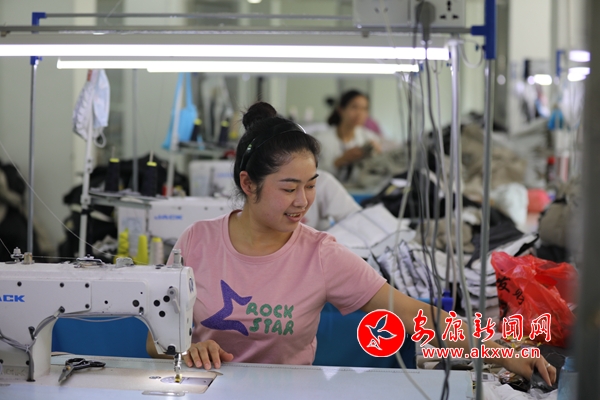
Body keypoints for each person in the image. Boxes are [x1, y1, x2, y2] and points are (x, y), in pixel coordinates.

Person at [168, 102, 555, 387]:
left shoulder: (321, 255)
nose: (303, 201)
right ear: (248, 183)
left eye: (311, 185)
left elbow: (416, 315)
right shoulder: (196, 242)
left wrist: (502, 351)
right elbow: (159, 341)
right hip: (205, 391)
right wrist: (185, 349)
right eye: (288, 188)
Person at [312, 90, 382, 181]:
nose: (359, 113)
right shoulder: (321, 140)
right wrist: (339, 161)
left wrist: (378, 155)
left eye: (364, 109)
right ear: (341, 109)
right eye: (354, 107)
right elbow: (313, 174)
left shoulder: (369, 138)